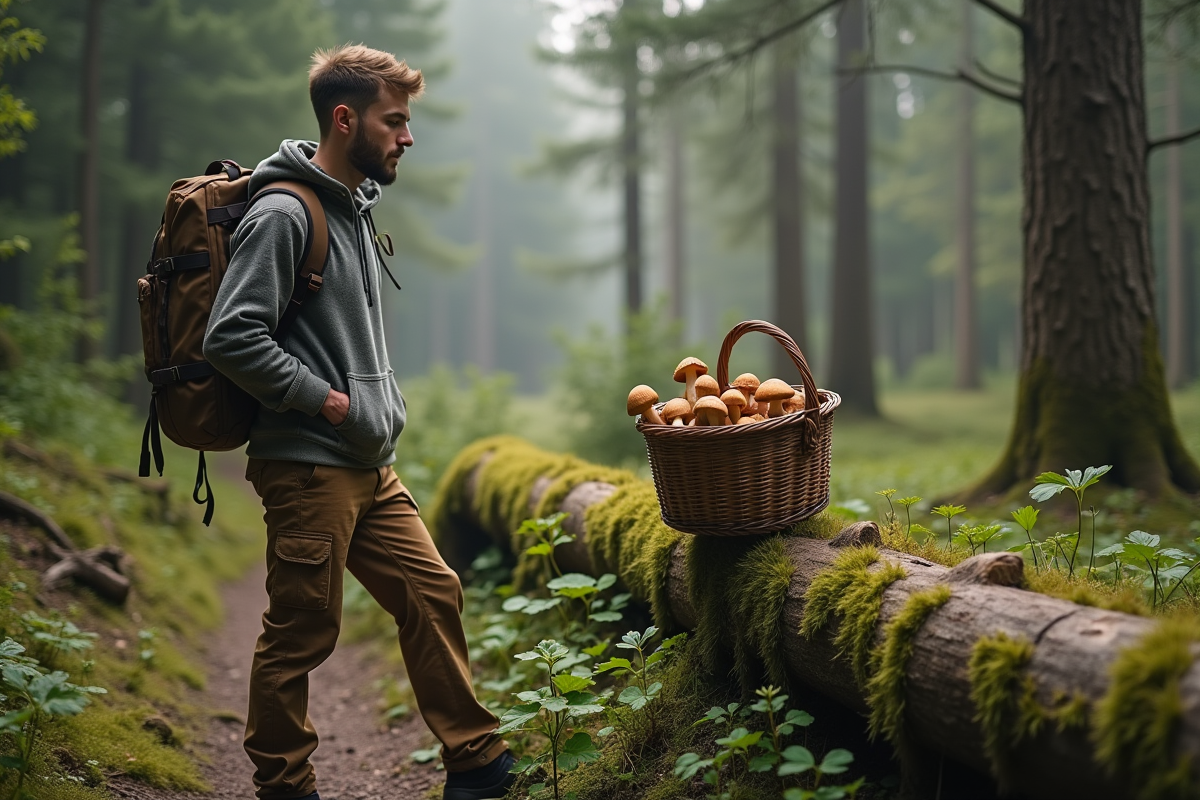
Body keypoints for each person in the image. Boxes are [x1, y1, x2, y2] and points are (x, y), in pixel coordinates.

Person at [203, 44, 514, 800]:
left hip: (369, 464)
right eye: (395, 121)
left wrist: (365, 415)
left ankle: (477, 765)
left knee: (432, 590)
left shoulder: (353, 208)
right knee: (302, 631)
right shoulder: (284, 213)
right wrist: (327, 400)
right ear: (346, 120)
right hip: (310, 463)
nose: (407, 137)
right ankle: (285, 784)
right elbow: (231, 336)